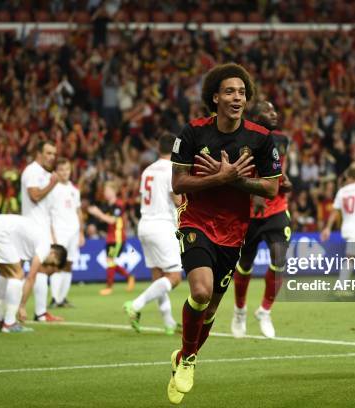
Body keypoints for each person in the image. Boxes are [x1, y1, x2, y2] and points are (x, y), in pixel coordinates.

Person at [167, 63, 281, 404]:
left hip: (233, 232)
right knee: (200, 293)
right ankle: (188, 358)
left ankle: (183, 356)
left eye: (242, 93)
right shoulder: (192, 132)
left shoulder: (261, 138)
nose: (237, 97)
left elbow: (271, 188)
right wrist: (218, 179)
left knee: (212, 309)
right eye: (230, 91)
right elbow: (178, 182)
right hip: (196, 222)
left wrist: (234, 179)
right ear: (214, 97)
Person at [231, 100, 292, 339]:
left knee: (279, 260)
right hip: (249, 214)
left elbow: (278, 171)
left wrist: (285, 184)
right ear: (255, 117)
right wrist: (255, 191)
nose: (274, 112)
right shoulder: (240, 139)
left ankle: (265, 310)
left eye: (274, 109)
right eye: (267, 111)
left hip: (276, 211)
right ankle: (239, 311)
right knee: (245, 264)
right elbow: (234, 176)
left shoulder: (282, 140)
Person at [123, 133, 183, 335]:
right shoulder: (172, 169)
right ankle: (136, 304)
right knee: (174, 277)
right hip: (162, 226)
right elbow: (177, 200)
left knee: (158, 277)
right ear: (176, 149)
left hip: (145, 225)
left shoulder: (147, 170)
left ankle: (168, 323)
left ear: (159, 149)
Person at [0, 214, 67, 333]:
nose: (48, 267)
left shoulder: (30, 243)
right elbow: (31, 278)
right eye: (53, 264)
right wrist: (22, 306)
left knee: (5, 274)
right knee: (17, 275)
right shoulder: (45, 247)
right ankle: (9, 323)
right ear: (54, 254)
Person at [20, 140, 63, 322]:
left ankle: (40, 313)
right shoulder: (32, 171)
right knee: (29, 271)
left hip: (41, 228)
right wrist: (52, 184)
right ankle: (22, 310)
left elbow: (45, 210)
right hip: (32, 229)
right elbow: (34, 195)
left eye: (54, 154)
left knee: (40, 272)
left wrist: (52, 233)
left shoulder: (43, 174)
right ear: (39, 153)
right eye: (48, 153)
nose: (52, 157)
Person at [87, 181, 135, 295]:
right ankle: (129, 277)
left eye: (108, 191)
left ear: (114, 191)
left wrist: (98, 213)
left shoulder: (119, 204)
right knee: (110, 261)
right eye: (105, 191)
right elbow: (105, 221)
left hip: (117, 238)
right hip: (110, 237)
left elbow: (112, 220)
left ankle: (109, 287)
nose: (106, 193)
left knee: (110, 260)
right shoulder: (107, 205)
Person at [48, 158, 84, 308]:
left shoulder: (74, 190)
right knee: (57, 265)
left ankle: (62, 298)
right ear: (56, 171)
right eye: (61, 170)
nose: (64, 172)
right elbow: (47, 213)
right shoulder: (52, 190)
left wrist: (81, 232)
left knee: (69, 264)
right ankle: (54, 298)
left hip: (74, 233)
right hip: (59, 232)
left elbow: (78, 211)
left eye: (67, 169)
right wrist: (51, 234)